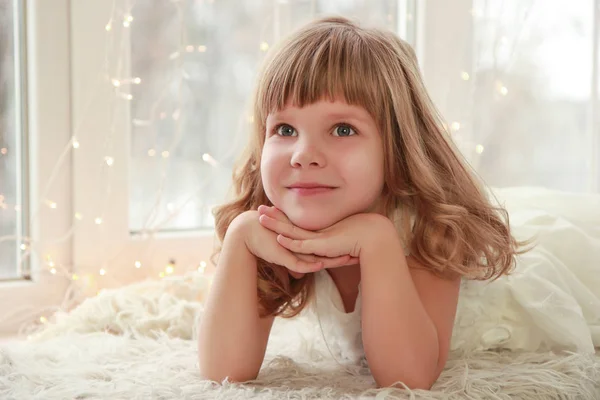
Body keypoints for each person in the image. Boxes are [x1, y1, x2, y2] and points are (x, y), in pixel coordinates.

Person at [197, 16, 530, 390]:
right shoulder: (269, 226)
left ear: (397, 146)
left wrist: (377, 242)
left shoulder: (429, 227)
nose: (303, 155)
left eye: (343, 129)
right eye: (285, 130)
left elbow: (409, 379)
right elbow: (224, 371)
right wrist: (240, 237)